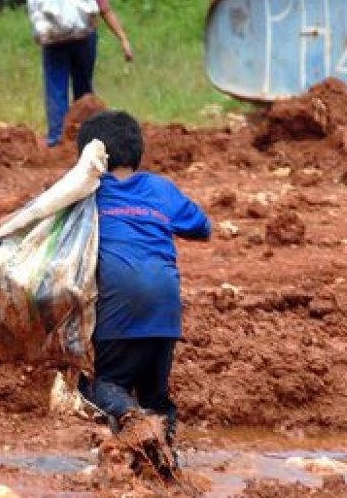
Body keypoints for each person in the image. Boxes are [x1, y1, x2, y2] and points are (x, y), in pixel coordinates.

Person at [76, 110, 211, 469]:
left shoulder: (87, 193)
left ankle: (135, 422)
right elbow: (202, 227)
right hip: (165, 310)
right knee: (156, 395)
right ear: (138, 153)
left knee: (104, 386)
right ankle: (165, 465)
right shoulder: (160, 189)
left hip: (119, 306)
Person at [40, 0, 133, 148]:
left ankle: (57, 140)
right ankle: (86, 138)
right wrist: (123, 39)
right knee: (83, 89)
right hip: (83, 37)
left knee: (56, 90)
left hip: (54, 37)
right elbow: (104, 9)